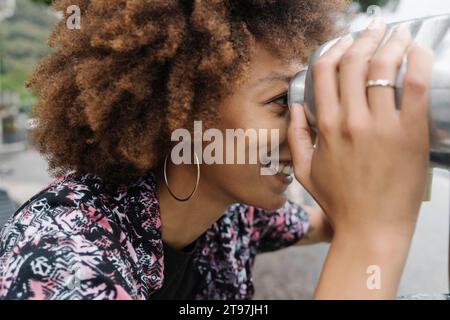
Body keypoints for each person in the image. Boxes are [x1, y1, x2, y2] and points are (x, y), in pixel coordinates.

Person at [0, 0, 433, 300]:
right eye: (282, 101)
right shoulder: (62, 261)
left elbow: (324, 223)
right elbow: (358, 227)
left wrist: (383, 165)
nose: (308, 126)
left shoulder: (234, 216)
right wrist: (373, 236)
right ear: (179, 112)